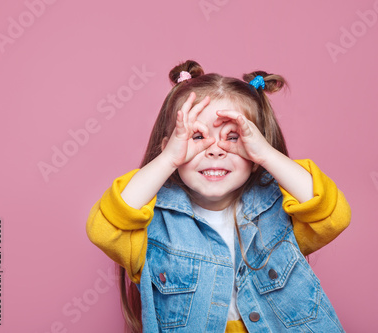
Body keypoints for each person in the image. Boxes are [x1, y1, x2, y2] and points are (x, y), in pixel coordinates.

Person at [86, 60, 351, 333]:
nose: (215, 150)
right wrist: (167, 160)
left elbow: (333, 216)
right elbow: (104, 230)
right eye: (198, 136)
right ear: (169, 150)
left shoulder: (277, 209)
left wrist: (268, 154)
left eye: (233, 137)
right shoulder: (154, 226)